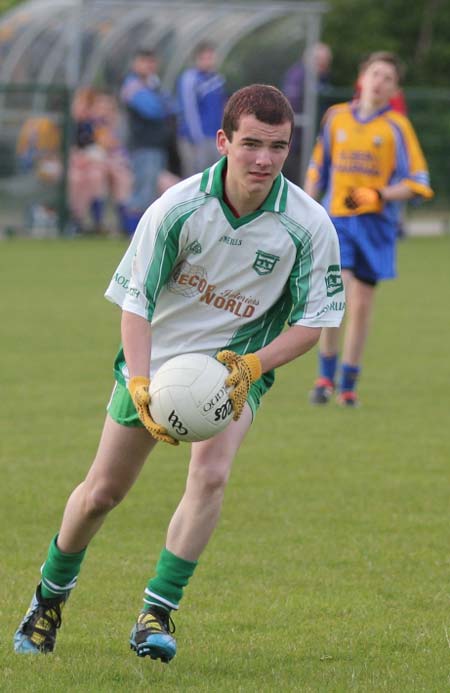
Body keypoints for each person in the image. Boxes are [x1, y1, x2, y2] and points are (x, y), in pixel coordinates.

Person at [13, 84, 344, 662]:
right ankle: (48, 599)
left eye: (278, 146)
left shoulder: (308, 225)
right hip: (157, 362)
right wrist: (140, 382)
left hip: (237, 368)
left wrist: (251, 366)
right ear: (223, 142)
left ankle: (156, 613)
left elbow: (313, 323)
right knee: (102, 493)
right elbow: (135, 303)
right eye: (250, 145)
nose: (264, 159)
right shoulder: (177, 208)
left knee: (211, 475)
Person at [305, 51, 433, 407]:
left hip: (376, 226)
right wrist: (306, 204)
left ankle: (348, 383)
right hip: (338, 221)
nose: (380, 82)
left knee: (361, 303)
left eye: (388, 78)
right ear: (362, 77)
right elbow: (318, 167)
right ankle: (323, 378)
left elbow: (419, 182)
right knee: (338, 292)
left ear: (395, 89)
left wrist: (378, 194)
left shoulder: (396, 127)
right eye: (375, 74)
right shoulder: (335, 117)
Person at [120, 48, 177, 235]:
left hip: (157, 145)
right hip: (143, 146)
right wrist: (164, 105)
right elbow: (153, 110)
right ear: (136, 63)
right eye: (145, 61)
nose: (149, 65)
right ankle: (132, 235)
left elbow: (173, 106)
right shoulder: (133, 86)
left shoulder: (153, 85)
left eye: (152, 61)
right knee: (142, 193)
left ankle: (142, 234)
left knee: (152, 192)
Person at [282, 42, 333, 185]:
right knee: (295, 180)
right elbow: (293, 106)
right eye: (321, 61)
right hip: (297, 140)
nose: (324, 66)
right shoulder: (298, 76)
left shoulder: (320, 77)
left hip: (310, 138)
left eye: (326, 62)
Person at [176, 40, 227, 178]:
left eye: (211, 57)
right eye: (204, 58)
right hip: (197, 138)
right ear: (197, 59)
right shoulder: (190, 78)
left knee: (216, 176)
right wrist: (196, 136)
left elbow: (222, 107)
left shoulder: (217, 79)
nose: (208, 61)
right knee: (196, 178)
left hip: (215, 136)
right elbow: (189, 110)